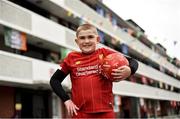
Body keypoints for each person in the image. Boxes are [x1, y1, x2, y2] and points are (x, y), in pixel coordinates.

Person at [50, 23, 138, 118]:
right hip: (80, 113)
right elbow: (54, 80)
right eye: (82, 38)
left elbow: (133, 61)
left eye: (90, 37)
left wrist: (129, 70)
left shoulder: (105, 53)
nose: (86, 41)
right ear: (77, 41)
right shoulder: (71, 58)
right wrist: (66, 100)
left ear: (98, 40)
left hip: (105, 113)